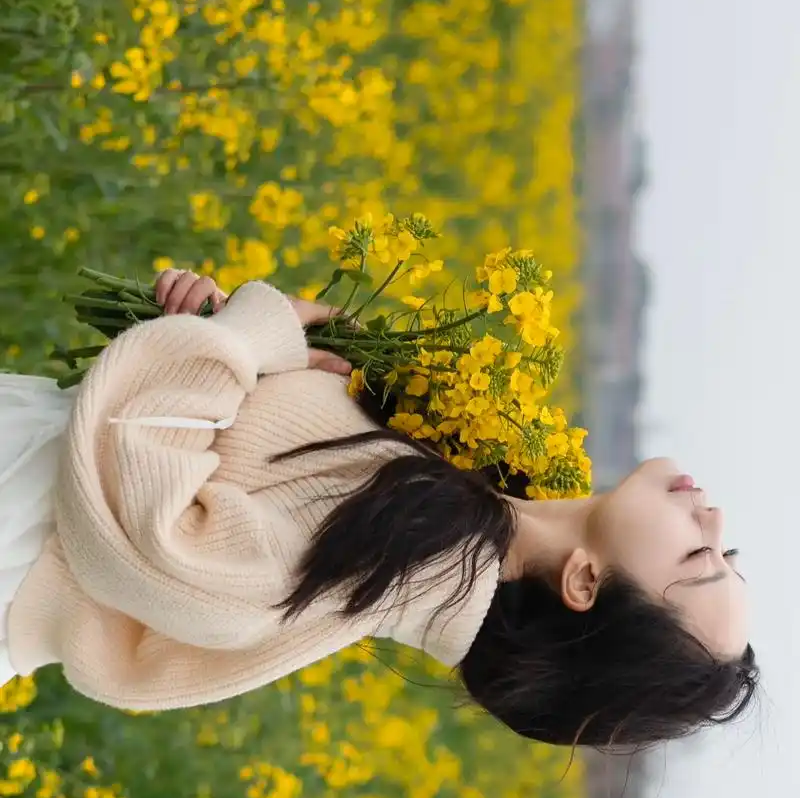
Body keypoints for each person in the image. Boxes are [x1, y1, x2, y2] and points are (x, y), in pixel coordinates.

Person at [0, 267, 758, 750]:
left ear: (585, 582)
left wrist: (235, 341)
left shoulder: (410, 560)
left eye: (699, 559)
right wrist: (216, 338)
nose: (715, 522)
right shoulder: (466, 486)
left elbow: (155, 546)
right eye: (725, 555)